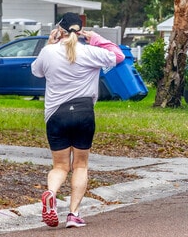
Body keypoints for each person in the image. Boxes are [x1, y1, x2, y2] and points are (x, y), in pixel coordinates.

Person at [31, 12, 124, 228]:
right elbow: (118, 56)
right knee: (80, 165)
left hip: (56, 114)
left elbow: (36, 72)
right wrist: (95, 38)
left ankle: (51, 194)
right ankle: (73, 214)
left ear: (59, 30)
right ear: (79, 31)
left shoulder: (48, 52)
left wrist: (48, 43)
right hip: (84, 112)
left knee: (60, 166)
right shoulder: (90, 51)